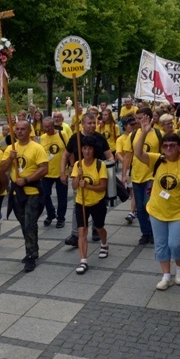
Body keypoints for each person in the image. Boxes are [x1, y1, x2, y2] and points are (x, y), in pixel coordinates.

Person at [133, 118, 180, 290]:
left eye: (172, 145)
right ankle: (166, 275)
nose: (168, 148)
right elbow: (138, 152)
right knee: (161, 244)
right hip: (156, 210)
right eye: (165, 145)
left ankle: (179, 269)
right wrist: (144, 133)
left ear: (179, 147)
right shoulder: (157, 160)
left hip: (178, 211)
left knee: (176, 243)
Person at [0, 121, 48, 272]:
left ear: (29, 131)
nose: (19, 132)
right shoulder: (10, 148)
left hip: (32, 192)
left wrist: (27, 179)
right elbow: (2, 168)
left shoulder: (37, 148)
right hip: (17, 193)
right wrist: (10, 159)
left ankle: (30, 256)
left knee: (29, 223)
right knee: (23, 223)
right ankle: (32, 248)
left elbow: (44, 169)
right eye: (17, 129)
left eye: (23, 129)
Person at [62, 113, 113, 246]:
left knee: (98, 205)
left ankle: (97, 228)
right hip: (79, 175)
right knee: (77, 205)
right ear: (82, 124)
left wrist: (105, 168)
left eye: (93, 123)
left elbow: (110, 157)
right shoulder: (75, 138)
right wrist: (63, 172)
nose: (92, 125)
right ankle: (76, 234)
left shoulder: (100, 138)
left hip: (97, 175)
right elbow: (65, 155)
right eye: (89, 123)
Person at [123, 107, 162, 244]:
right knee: (139, 207)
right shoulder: (133, 135)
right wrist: (124, 175)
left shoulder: (158, 134)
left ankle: (153, 231)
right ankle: (145, 233)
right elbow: (128, 156)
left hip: (152, 176)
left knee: (148, 204)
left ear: (148, 118)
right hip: (136, 175)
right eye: (137, 118)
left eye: (141, 118)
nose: (137, 121)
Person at [71, 136, 109, 274]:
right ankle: (83, 261)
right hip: (81, 202)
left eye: (90, 149)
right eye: (85, 148)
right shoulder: (77, 165)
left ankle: (104, 244)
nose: (87, 151)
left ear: (94, 150)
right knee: (82, 231)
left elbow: (102, 186)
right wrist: (77, 177)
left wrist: (87, 185)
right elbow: (74, 187)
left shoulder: (100, 165)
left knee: (99, 227)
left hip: (97, 202)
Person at [40, 117, 70, 228]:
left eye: (48, 126)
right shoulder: (42, 138)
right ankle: (51, 213)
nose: (46, 129)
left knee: (62, 196)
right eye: (44, 126)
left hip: (61, 171)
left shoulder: (63, 135)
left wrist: (70, 170)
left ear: (53, 126)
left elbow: (69, 152)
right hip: (46, 172)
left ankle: (61, 218)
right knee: (44, 195)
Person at [117, 116, 137, 224]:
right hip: (129, 168)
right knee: (132, 190)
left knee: (134, 190)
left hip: (139, 167)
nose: (133, 127)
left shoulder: (137, 136)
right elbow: (119, 153)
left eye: (134, 124)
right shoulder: (121, 139)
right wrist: (125, 163)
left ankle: (132, 212)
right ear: (125, 126)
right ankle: (134, 209)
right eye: (131, 125)